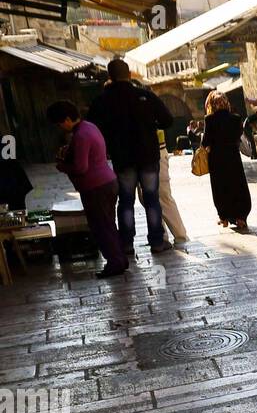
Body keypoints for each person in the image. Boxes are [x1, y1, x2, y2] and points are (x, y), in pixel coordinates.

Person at [88, 58, 172, 258]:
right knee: (151, 199)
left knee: (126, 201)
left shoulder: (102, 101)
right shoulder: (144, 95)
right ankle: (157, 242)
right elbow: (167, 120)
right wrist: (149, 126)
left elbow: (91, 127)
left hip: (122, 157)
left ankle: (126, 244)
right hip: (148, 155)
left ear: (110, 76)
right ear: (130, 74)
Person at [45, 101, 126, 278]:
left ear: (67, 119)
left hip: (95, 187)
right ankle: (119, 259)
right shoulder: (90, 127)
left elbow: (81, 167)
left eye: (60, 123)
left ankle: (115, 263)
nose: (60, 127)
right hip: (107, 182)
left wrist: (62, 166)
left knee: (100, 227)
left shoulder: (81, 135)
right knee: (108, 224)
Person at [202, 91, 251, 233]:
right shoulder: (236, 118)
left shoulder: (209, 119)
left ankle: (224, 217)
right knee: (237, 185)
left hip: (217, 159)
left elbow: (206, 141)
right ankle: (240, 217)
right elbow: (238, 136)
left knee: (220, 187)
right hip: (233, 158)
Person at [149, 126, 188, 245]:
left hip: (155, 150)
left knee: (163, 196)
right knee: (148, 198)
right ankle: (162, 236)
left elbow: (166, 119)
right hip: (143, 153)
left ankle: (180, 235)